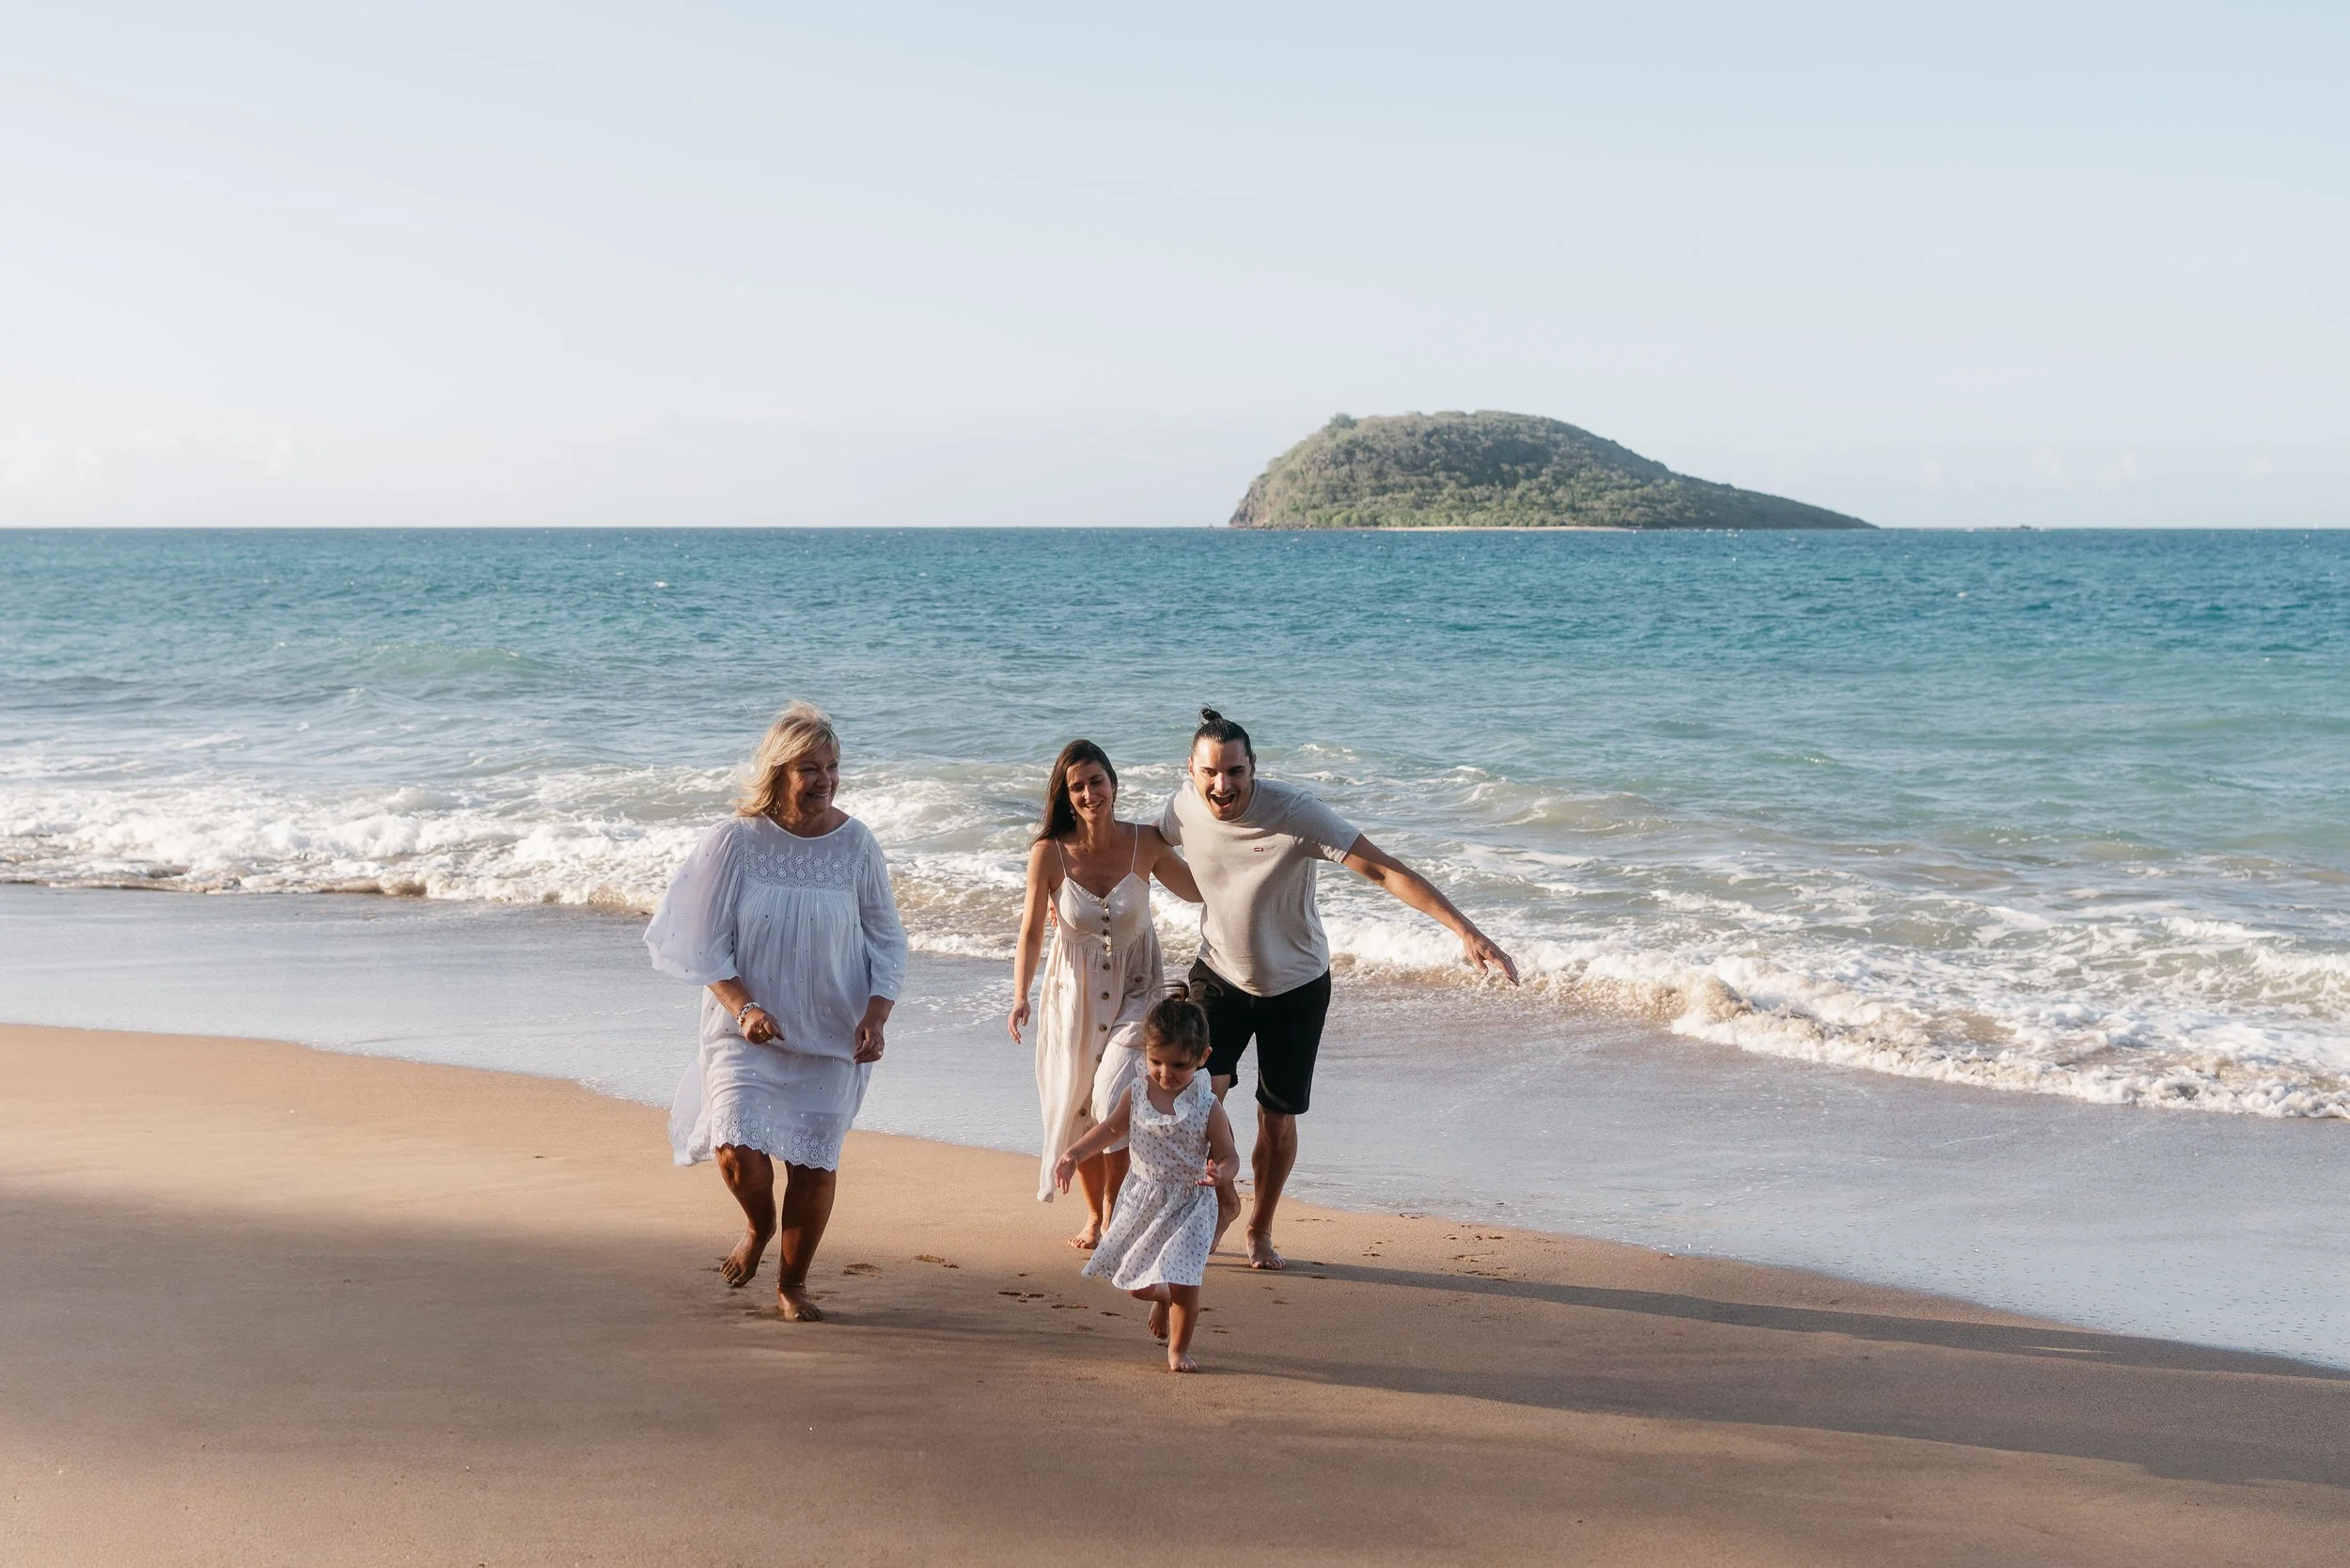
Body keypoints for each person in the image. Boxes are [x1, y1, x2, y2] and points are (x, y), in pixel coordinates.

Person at [1161, 708, 1517, 1271]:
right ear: (1191, 769)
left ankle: (1260, 1227)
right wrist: (1069, 889)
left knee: (1276, 1120)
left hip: (1296, 985)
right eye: (1210, 772)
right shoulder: (1181, 806)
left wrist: (1464, 930)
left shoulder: (1295, 813)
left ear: (1254, 768)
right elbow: (1139, 849)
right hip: (1219, 975)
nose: (1221, 785)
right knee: (1195, 1098)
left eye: (1235, 771)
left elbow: (1382, 869)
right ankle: (1223, 1198)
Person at [644, 701, 907, 1322]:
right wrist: (745, 1009)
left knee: (813, 1168)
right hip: (748, 1030)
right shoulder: (736, 842)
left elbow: (887, 939)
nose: (825, 780)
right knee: (736, 1148)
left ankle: (793, 1284)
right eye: (809, 768)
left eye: (833, 766)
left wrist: (877, 1015)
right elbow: (701, 942)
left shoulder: (855, 844)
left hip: (832, 1033)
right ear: (779, 771)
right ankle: (758, 1227)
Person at [1009, 739, 1199, 1246]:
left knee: (1113, 1090)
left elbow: (1201, 888)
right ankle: (1096, 1216)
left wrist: (1234, 839)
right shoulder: (1049, 852)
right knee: (1078, 1106)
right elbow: (1030, 931)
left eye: (1097, 781)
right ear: (1066, 796)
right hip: (1074, 993)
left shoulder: (1147, 842)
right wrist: (1020, 995)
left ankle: (1118, 1208)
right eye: (1078, 786)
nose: (1090, 793)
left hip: (1140, 988)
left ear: (1113, 782)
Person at [1055, 992, 1239, 1373]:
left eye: (1178, 1065)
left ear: (1203, 1058)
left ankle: (1178, 1349)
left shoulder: (1207, 1106)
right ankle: (1162, 1293)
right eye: (1155, 1061)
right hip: (1143, 1198)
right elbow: (1109, 1129)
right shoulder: (1137, 1092)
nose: (1165, 1073)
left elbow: (1229, 1155)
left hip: (1190, 1203)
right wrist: (1074, 1154)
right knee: (1137, 1283)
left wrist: (1221, 1172)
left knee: (1188, 1284)